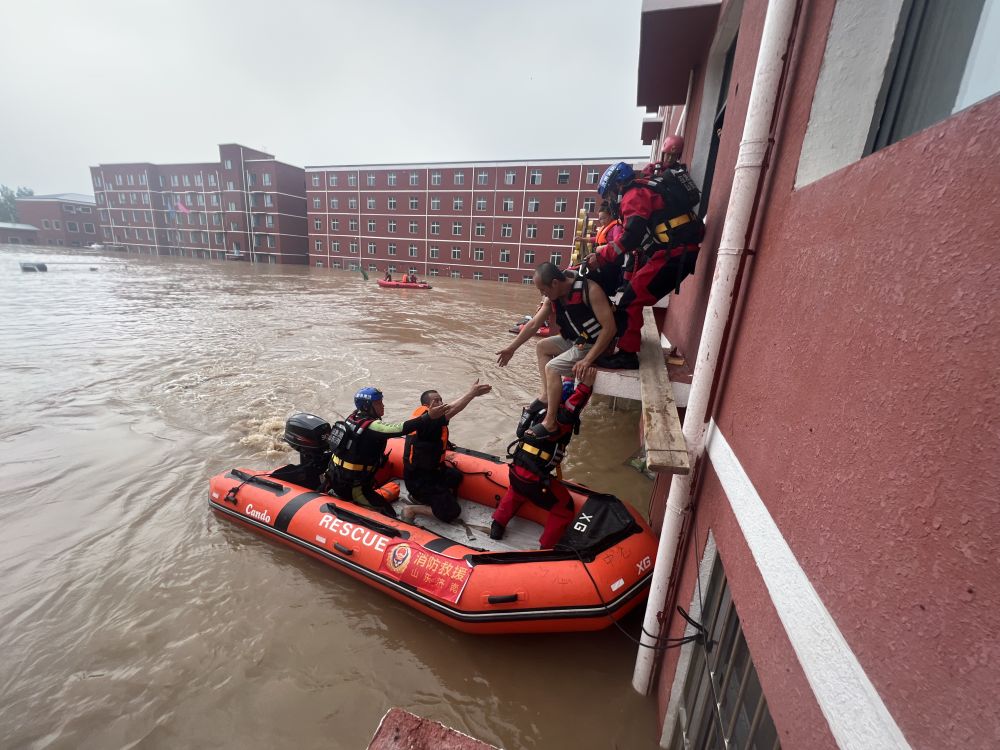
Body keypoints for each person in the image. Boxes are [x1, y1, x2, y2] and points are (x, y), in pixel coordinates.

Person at [591, 159, 705, 370]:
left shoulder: (633, 196)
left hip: (675, 253)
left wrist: (602, 255)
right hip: (676, 250)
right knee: (632, 294)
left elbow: (631, 237)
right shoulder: (645, 186)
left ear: (617, 186)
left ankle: (627, 355)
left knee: (630, 300)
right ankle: (628, 343)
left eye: (609, 194)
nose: (610, 200)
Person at [496, 262, 615, 435]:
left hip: (595, 343)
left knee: (551, 368)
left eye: (543, 290)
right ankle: (545, 396)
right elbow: (534, 323)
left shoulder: (590, 290)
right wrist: (511, 348)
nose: (542, 295)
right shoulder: (553, 296)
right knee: (542, 346)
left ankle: (550, 422)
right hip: (577, 340)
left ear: (554, 283)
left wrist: (587, 360)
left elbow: (610, 329)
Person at [490, 366, 596, 549]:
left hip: (516, 470)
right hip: (535, 479)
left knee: (516, 491)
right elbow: (576, 403)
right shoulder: (559, 420)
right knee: (564, 507)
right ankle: (546, 547)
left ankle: (497, 525)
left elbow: (521, 430)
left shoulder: (537, 410)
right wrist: (587, 384)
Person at [326, 387, 447, 518]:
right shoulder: (372, 427)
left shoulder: (353, 417)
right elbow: (401, 429)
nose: (383, 406)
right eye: (378, 403)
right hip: (354, 487)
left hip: (339, 477)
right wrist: (428, 416)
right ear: (367, 407)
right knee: (389, 514)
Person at [400, 379, 493, 524]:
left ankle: (430, 498)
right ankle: (412, 509)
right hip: (420, 480)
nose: (441, 403)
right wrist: (472, 393)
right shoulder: (427, 420)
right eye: (436, 401)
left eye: (441, 399)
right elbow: (453, 410)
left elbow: (449, 409)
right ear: (426, 405)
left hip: (432, 471)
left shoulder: (429, 418)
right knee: (452, 512)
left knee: (455, 476)